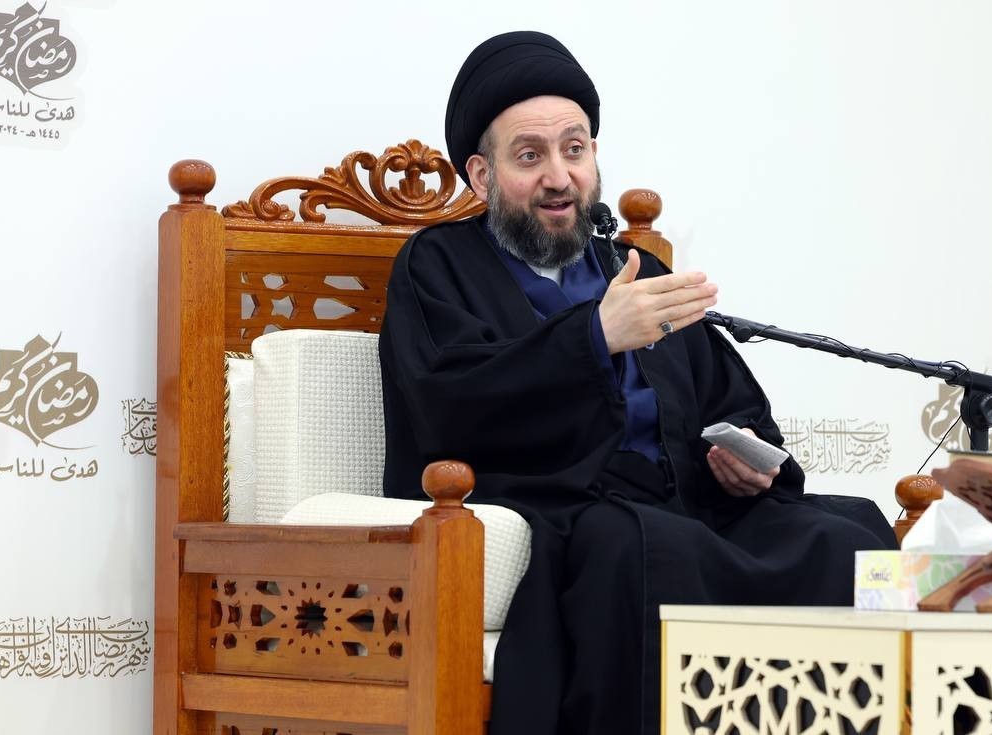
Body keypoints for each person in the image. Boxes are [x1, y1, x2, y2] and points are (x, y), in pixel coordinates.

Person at [379, 30, 897, 735]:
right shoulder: (438, 265)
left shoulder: (634, 268)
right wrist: (594, 336)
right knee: (644, 546)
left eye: (575, 150)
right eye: (529, 156)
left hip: (688, 502)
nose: (559, 177)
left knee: (848, 535)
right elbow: (449, 406)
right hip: (568, 513)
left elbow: (731, 401)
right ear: (481, 175)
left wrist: (748, 460)